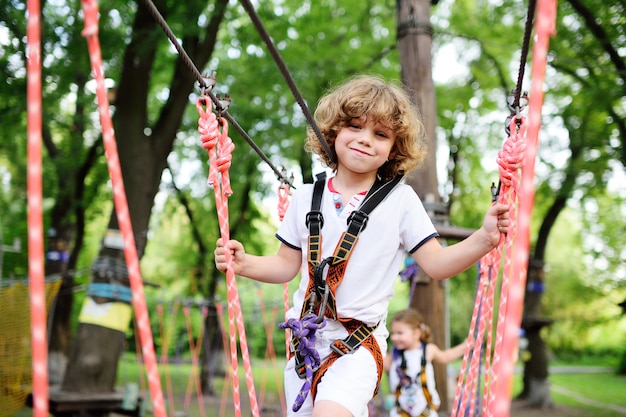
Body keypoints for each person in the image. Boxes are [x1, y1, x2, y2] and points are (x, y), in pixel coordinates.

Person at [214, 74, 509, 417]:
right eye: (355, 126)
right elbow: (285, 265)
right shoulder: (307, 196)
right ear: (334, 132)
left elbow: (437, 264)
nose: (366, 140)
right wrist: (244, 262)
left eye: (380, 134)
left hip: (357, 347)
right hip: (305, 347)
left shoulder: (401, 201)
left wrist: (485, 237)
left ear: (392, 150)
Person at [385, 308, 466, 417]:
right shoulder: (394, 355)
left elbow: (445, 356)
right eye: (393, 333)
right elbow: (381, 364)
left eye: (400, 333)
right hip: (401, 412)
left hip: (426, 412)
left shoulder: (427, 350)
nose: (394, 337)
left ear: (416, 333)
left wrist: (465, 346)